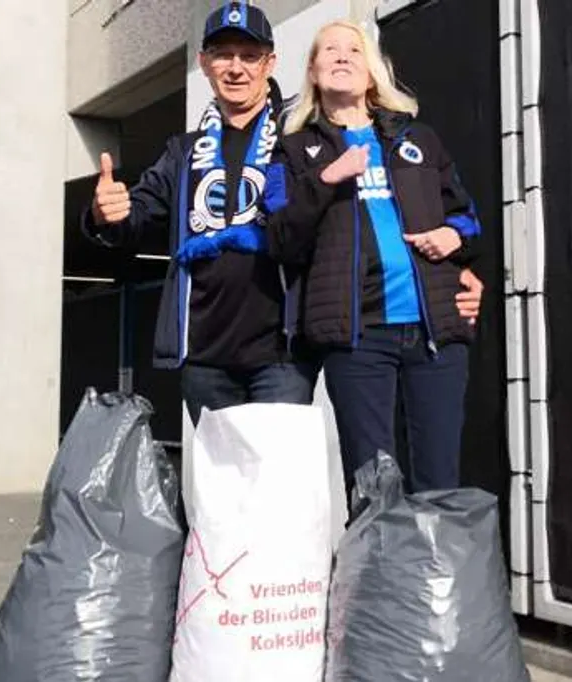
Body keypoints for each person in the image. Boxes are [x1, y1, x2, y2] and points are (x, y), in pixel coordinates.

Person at [85, 2, 484, 428]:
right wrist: (106, 213)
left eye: (249, 55)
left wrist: (448, 270)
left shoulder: (304, 135)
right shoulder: (182, 153)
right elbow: (137, 219)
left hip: (285, 351)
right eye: (222, 54)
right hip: (203, 352)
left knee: (277, 488)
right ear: (204, 63)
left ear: (270, 63)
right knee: (219, 492)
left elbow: (377, 202)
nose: (236, 68)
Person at [264, 19, 483, 500]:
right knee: (371, 486)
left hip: (435, 336)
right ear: (313, 71)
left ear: (372, 73)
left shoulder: (418, 139)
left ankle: (431, 577)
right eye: (330, 50)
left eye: (355, 51)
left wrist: (452, 235)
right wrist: (328, 178)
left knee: (439, 482)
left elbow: (468, 217)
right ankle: (375, 578)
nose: (342, 56)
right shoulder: (293, 150)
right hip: (357, 336)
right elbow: (279, 238)